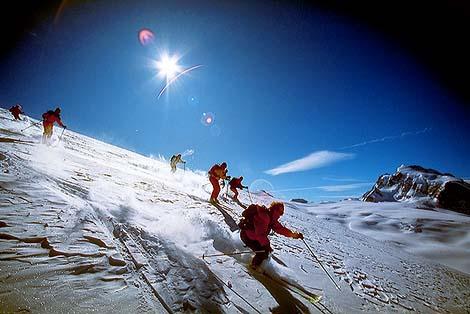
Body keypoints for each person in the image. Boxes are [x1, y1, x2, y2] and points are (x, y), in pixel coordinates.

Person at [239, 202, 303, 269]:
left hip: (252, 237)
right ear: (275, 210)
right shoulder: (264, 217)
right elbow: (260, 234)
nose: (280, 215)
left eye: (282, 213)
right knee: (262, 252)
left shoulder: (271, 219)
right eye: (280, 212)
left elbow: (280, 229)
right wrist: (267, 245)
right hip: (247, 237)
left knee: (265, 251)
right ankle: (254, 267)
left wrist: (294, 235)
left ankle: (257, 264)